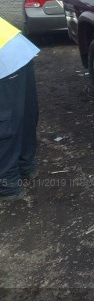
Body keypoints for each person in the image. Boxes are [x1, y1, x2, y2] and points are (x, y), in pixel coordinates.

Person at [0, 16, 39, 202]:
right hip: (17, 47)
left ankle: (8, 182)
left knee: (6, 119)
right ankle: (26, 166)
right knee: (24, 111)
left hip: (5, 58)